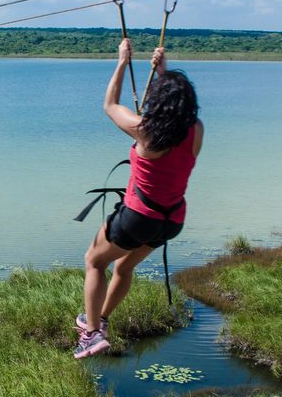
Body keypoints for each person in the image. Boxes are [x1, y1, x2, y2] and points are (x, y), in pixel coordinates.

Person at [74, 38, 203, 359]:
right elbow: (174, 109)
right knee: (123, 267)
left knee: (94, 261)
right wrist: (163, 73)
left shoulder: (145, 130)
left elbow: (109, 105)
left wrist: (121, 62)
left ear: (157, 102)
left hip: (138, 218)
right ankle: (100, 320)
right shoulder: (196, 130)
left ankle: (90, 335)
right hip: (171, 221)